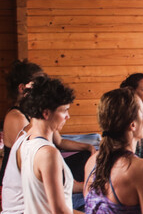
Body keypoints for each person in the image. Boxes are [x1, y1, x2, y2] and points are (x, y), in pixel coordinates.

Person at [16, 76, 89, 214]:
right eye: (64, 111)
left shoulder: (26, 142)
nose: (68, 117)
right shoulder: (48, 154)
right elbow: (59, 212)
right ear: (46, 113)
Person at [1, 59, 93, 187]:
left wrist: (89, 147)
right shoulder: (16, 117)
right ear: (22, 88)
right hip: (23, 182)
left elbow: (59, 142)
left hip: (41, 170)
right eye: (38, 85)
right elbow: (30, 168)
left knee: (87, 157)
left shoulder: (38, 114)